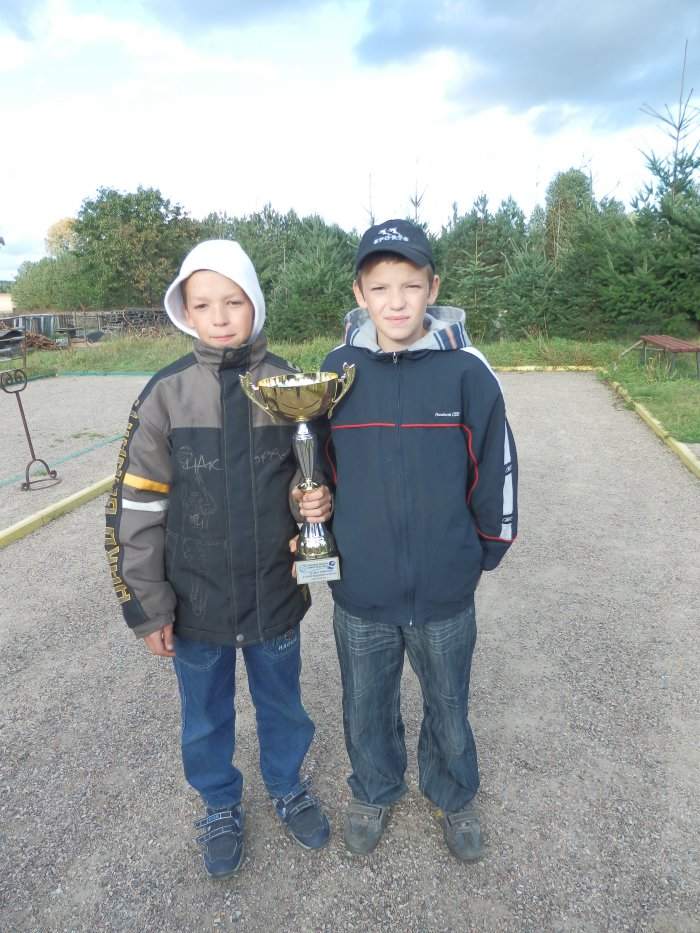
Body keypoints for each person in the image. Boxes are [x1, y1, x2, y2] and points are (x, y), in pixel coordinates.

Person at [105, 239, 332, 879]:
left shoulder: (289, 384)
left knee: (283, 704)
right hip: (194, 602)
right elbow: (136, 508)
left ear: (254, 303)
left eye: (233, 301)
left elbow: (311, 476)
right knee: (204, 717)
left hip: (274, 593)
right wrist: (148, 605)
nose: (221, 316)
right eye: (203, 304)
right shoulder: (164, 395)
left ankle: (286, 784)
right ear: (185, 311)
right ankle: (220, 803)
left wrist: (316, 503)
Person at [319, 219, 518, 861]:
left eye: (410, 285)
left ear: (433, 287)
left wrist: (482, 550)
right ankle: (375, 788)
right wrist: (309, 506)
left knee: (449, 704)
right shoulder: (337, 371)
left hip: (444, 587)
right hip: (361, 585)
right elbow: (315, 464)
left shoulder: (467, 371)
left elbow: (495, 466)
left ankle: (453, 793)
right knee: (365, 704)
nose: (397, 302)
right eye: (380, 288)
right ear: (360, 293)